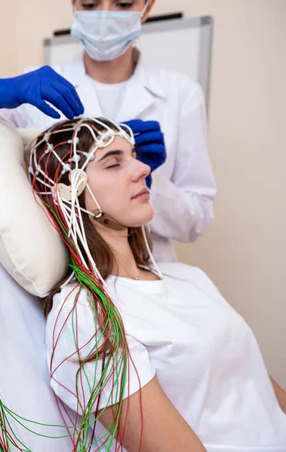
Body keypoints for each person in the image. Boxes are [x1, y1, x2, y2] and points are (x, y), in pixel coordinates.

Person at [27, 116, 286, 451]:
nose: (142, 169)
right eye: (114, 163)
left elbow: (256, 385)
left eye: (133, 156)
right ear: (69, 192)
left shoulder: (188, 277)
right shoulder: (86, 316)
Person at [0, 0, 216, 262]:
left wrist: (149, 179)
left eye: (123, 5)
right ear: (74, 5)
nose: (104, 16)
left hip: (150, 267)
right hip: (66, 273)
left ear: (147, 7)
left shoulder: (180, 94)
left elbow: (197, 221)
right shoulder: (40, 89)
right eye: (89, 5)